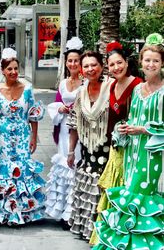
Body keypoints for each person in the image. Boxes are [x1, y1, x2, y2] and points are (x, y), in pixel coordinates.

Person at [93, 34, 164, 249]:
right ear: (141, 62)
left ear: (162, 64)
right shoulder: (136, 89)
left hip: (152, 155)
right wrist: (122, 130)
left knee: (141, 197)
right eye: (147, 60)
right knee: (129, 192)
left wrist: (142, 129)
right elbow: (131, 119)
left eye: (156, 60)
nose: (151, 64)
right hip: (131, 153)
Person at [89, 42, 142, 245]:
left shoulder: (137, 85)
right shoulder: (111, 85)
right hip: (115, 147)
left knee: (125, 189)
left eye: (119, 63)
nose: (116, 68)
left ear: (127, 63)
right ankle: (111, 236)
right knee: (113, 188)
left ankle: (126, 237)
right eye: (112, 65)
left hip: (133, 148)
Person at [0, 48, 46, 225]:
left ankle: (24, 211)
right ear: (3, 71)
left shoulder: (28, 89)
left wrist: (33, 137)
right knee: (6, 171)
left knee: (22, 169)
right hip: (3, 137)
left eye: (16, 68)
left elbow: (33, 115)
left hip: (23, 134)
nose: (14, 72)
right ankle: (5, 212)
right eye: (10, 69)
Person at [67, 51, 114, 240]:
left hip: (108, 150)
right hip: (88, 151)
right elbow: (74, 125)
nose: (89, 69)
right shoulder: (81, 93)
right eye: (85, 66)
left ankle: (104, 232)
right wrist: (71, 151)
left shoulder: (111, 89)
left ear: (101, 67)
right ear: (81, 69)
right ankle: (88, 231)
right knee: (88, 189)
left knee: (103, 190)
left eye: (93, 65)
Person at [45, 37, 84, 227]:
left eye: (76, 60)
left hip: (81, 131)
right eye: (70, 60)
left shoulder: (87, 83)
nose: (73, 64)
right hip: (63, 130)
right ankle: (63, 212)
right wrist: (60, 108)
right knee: (64, 164)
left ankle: (77, 212)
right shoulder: (62, 83)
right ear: (66, 62)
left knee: (76, 163)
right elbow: (56, 103)